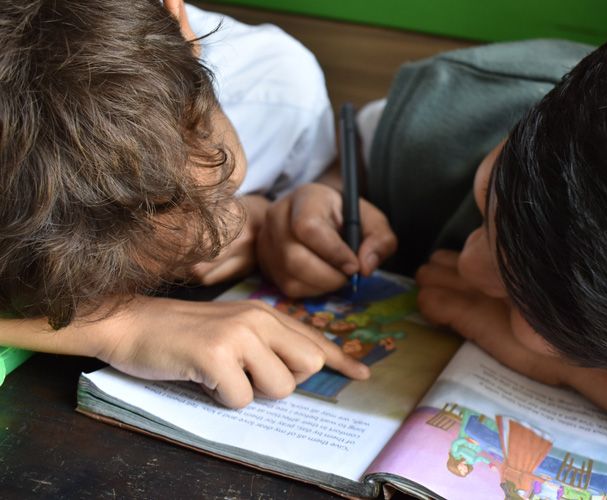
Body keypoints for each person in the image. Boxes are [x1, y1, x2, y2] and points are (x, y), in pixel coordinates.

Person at [258, 2, 607, 497]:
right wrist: (323, 191)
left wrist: (580, 372)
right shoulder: (457, 105)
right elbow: (354, 149)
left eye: (531, 313)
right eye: (490, 192)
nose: (469, 266)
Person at [0, 0, 387, 409]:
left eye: (222, 189)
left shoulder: (278, 93)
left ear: (175, 17)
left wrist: (299, 202)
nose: (213, 235)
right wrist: (118, 326)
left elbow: (327, 170)